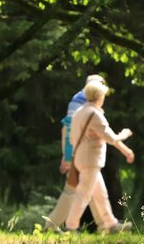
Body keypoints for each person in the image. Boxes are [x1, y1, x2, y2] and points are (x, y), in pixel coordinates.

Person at [64, 75, 135, 234]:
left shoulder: (80, 112)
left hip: (83, 159)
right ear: (98, 96)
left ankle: (111, 224)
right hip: (91, 161)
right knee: (83, 194)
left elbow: (73, 137)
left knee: (100, 194)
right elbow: (110, 137)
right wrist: (124, 134)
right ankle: (71, 226)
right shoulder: (95, 115)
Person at [42, 78, 109, 231]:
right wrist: (67, 156)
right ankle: (52, 225)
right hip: (78, 152)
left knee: (91, 188)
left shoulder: (82, 101)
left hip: (80, 151)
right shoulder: (81, 101)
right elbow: (69, 130)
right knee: (72, 189)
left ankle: (105, 224)